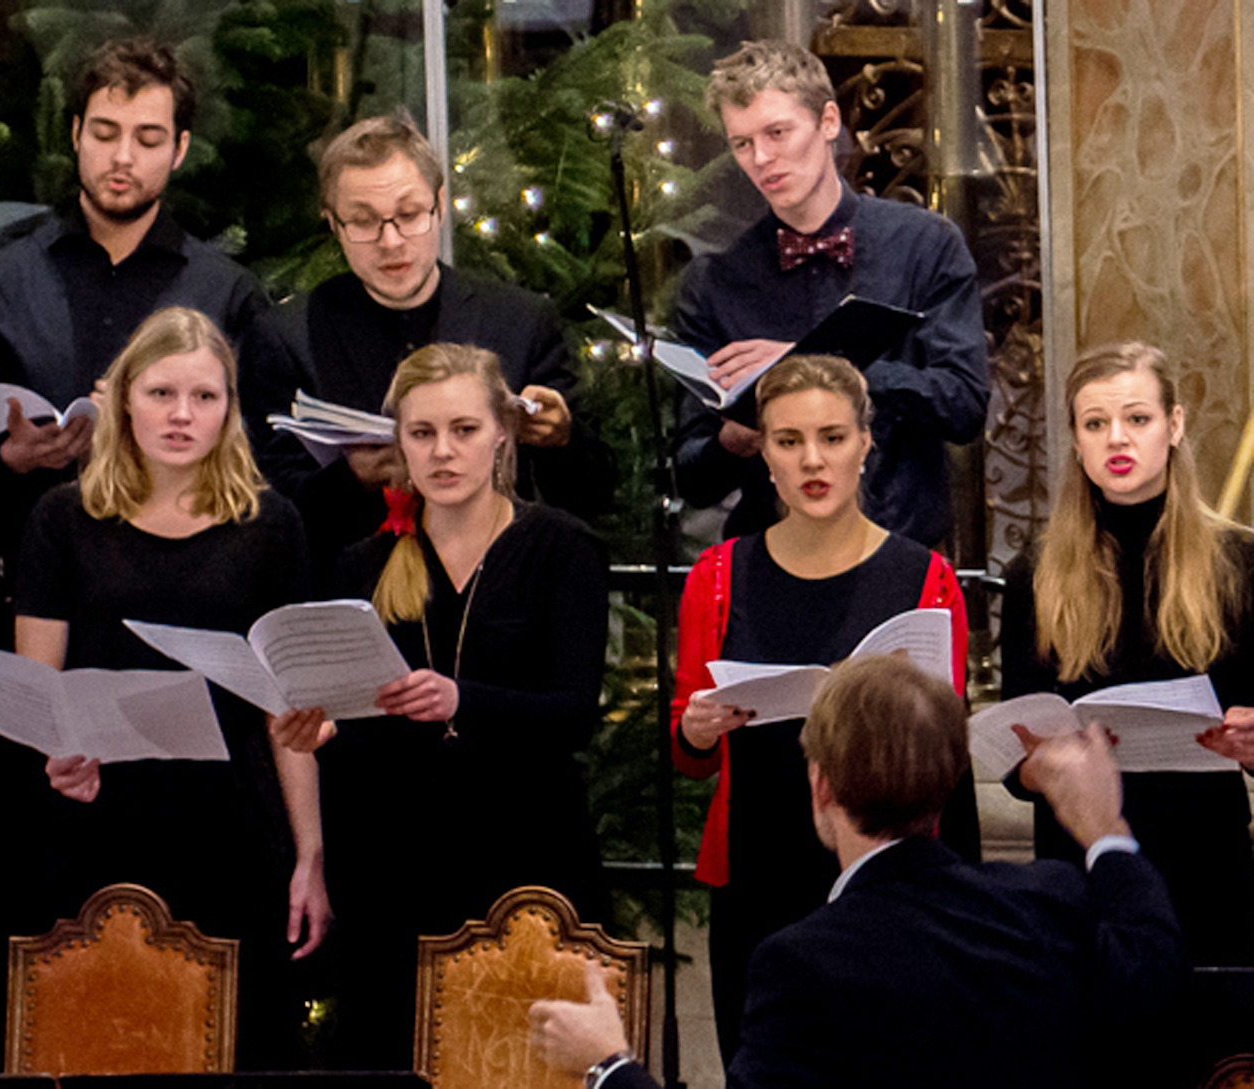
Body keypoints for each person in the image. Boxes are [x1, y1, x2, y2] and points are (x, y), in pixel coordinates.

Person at [530, 654, 1185, 1089]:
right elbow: (1152, 965)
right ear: (950, 779)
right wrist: (1104, 830)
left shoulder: (803, 964)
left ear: (820, 785)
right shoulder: (1048, 900)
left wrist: (608, 1062)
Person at [274, 343, 607, 1069]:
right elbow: (360, 733)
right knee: (393, 1054)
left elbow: (575, 712)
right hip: (394, 861)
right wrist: (321, 730)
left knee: (519, 1063)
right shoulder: (362, 563)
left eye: (463, 429)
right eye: (422, 433)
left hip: (526, 852)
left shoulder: (561, 548)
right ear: (400, 442)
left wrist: (465, 699)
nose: (443, 451)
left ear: (502, 434)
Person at [10, 306, 324, 1068]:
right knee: (103, 1039)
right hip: (99, 813)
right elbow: (33, 690)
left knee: (238, 1040)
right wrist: (58, 754)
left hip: (232, 820)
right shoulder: (65, 517)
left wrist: (310, 851)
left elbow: (293, 710)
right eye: (160, 393)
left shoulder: (270, 524)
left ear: (230, 406)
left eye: (206, 396)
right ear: (122, 399)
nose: (183, 415)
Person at [667, 354, 976, 1062]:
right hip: (759, 870)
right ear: (764, 453)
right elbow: (687, 756)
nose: (813, 459)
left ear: (867, 442)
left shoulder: (923, 576)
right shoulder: (719, 575)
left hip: (886, 877)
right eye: (788, 440)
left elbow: (947, 758)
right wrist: (695, 727)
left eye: (833, 437)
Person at [1000, 341, 1254, 1073]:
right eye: (1095, 422)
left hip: (1205, 859)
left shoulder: (1237, 564)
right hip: (1080, 859)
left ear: (1173, 425)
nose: (1116, 438)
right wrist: (1033, 759)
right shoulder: (1038, 571)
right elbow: (1021, 748)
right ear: (1075, 440)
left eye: (1136, 417)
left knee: (1209, 1058)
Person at [0, 37, 266, 572]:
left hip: (191, 579)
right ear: (78, 133)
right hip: (35, 575)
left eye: (148, 140)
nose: (122, 157)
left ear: (179, 150)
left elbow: (262, 454)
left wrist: (156, 431)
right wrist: (5, 455)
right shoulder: (0, 277)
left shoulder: (224, 293)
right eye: (105, 134)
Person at [241, 112, 610, 574]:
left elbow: (594, 492)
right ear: (333, 224)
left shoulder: (520, 322)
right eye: (362, 221)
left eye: (409, 215)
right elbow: (266, 512)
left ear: (439, 204)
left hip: (496, 594)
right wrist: (350, 480)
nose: (390, 241)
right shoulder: (286, 338)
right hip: (355, 591)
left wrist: (562, 438)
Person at [671, 40, 986, 548]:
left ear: (828, 122)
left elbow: (964, 406)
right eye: (742, 143)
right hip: (767, 559)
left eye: (777, 132)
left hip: (901, 550)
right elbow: (693, 477)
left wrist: (809, 368)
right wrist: (736, 437)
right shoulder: (716, 281)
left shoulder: (924, 245)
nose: (762, 158)